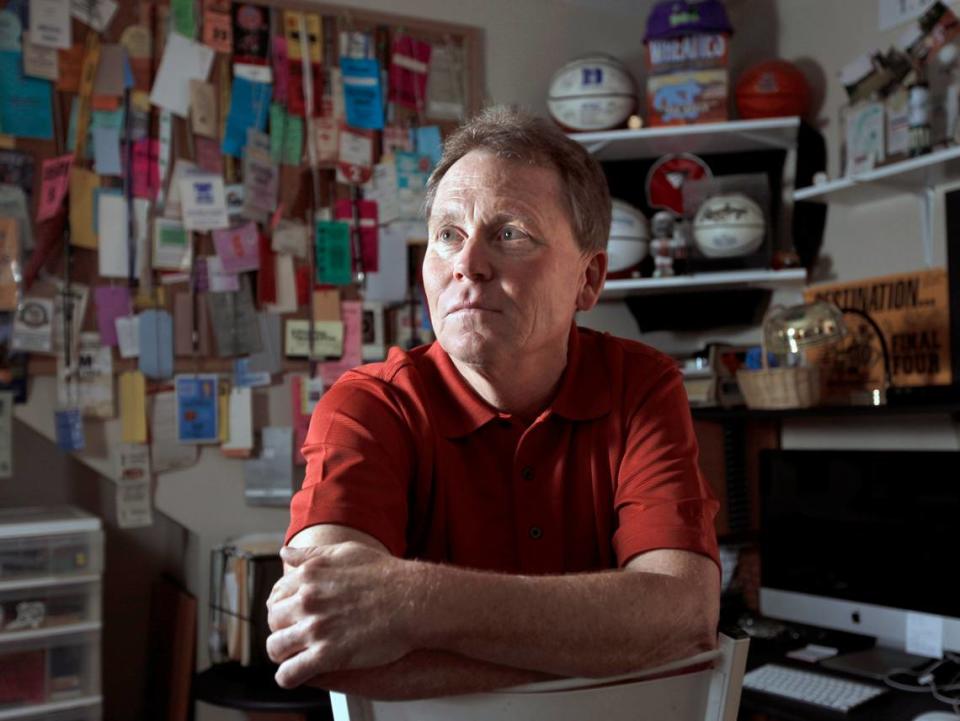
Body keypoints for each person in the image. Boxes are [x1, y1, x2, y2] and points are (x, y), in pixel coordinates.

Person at [266, 106, 721, 701]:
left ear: (589, 279)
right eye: (447, 235)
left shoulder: (641, 386)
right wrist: (609, 646)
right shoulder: (367, 406)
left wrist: (409, 599)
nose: (468, 264)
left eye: (510, 235)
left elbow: (683, 614)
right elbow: (319, 642)